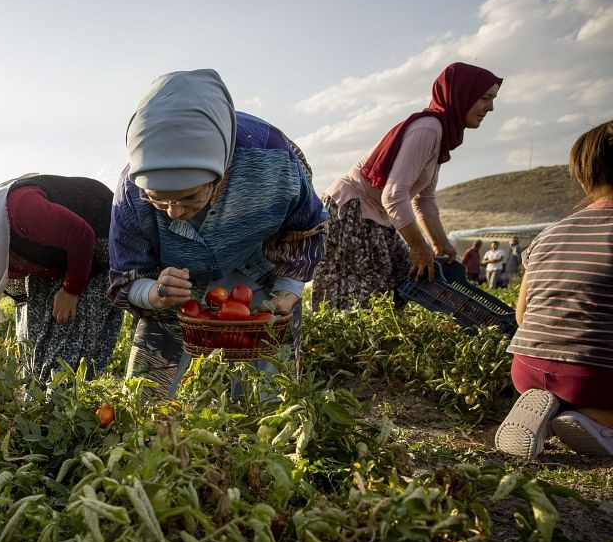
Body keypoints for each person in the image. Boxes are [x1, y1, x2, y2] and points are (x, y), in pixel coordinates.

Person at [108, 69, 326, 397]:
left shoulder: (273, 161)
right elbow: (125, 276)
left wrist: (287, 290)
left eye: (189, 197)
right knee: (146, 393)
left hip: (258, 269)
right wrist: (156, 292)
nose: (173, 212)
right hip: (176, 286)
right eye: (158, 199)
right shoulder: (131, 189)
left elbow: (307, 228)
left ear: (222, 174)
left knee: (268, 389)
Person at [311, 63, 502, 310]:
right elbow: (394, 195)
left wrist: (440, 243)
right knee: (369, 293)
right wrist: (419, 247)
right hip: (352, 210)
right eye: (485, 98)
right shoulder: (428, 129)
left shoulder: (441, 133)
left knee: (401, 279)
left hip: (375, 213)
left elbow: (424, 199)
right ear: (461, 95)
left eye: (492, 99)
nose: (490, 107)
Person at [0, 176, 126, 381]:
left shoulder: (22, 209)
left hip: (97, 247)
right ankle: (38, 393)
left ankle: (68, 396)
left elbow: (82, 237)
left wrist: (71, 290)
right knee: (32, 345)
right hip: (53, 263)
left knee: (69, 348)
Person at [496, 120, 613, 459]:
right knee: (592, 382)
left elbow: (522, 315)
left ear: (583, 179)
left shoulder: (547, 235)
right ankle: (597, 419)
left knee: (571, 375)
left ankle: (550, 407)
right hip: (595, 376)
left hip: (528, 368)